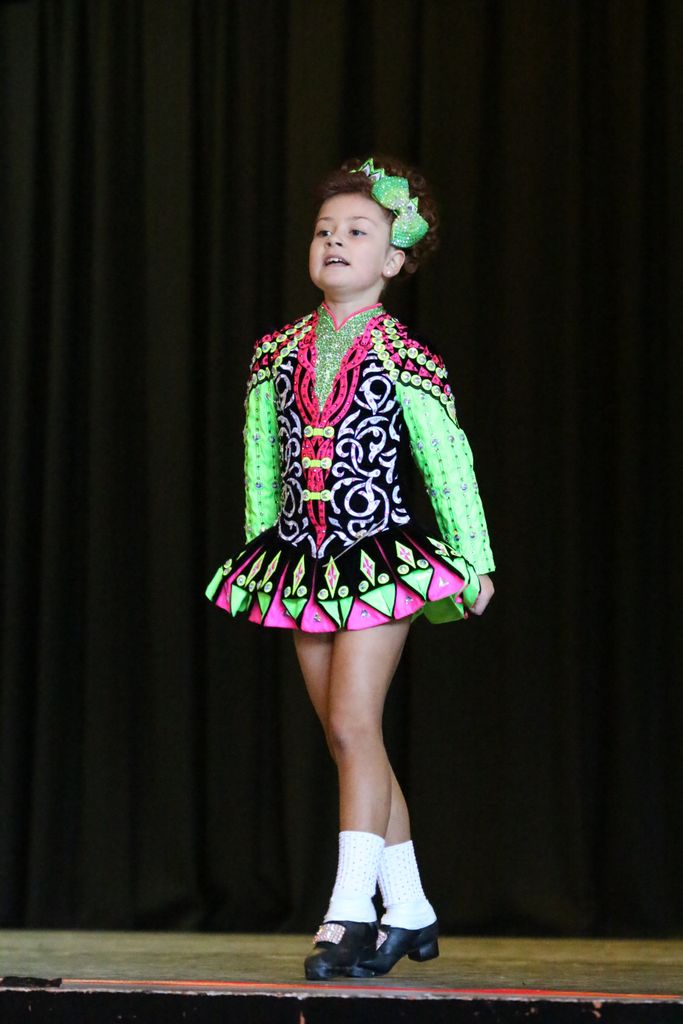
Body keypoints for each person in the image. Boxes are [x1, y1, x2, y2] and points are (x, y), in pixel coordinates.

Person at [206, 156, 495, 980]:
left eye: (357, 232)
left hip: (379, 559)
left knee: (352, 725)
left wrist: (473, 557)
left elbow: (445, 458)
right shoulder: (275, 352)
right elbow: (262, 463)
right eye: (324, 230)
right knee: (345, 737)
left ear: (393, 259)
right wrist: (261, 551)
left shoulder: (404, 354)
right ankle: (409, 908)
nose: (335, 241)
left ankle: (347, 913)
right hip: (299, 562)